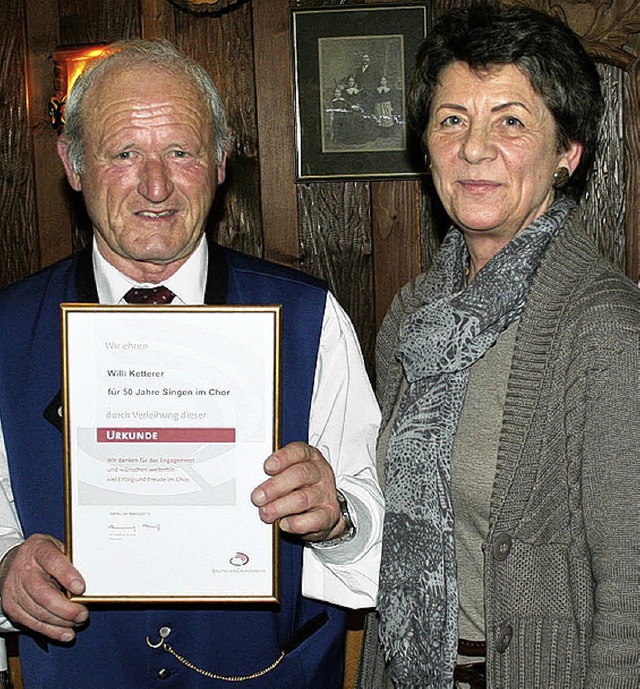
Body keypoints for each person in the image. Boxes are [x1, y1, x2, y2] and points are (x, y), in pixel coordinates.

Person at [0, 39, 384, 688]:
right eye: (124, 153)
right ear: (72, 164)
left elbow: (374, 532)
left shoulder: (313, 319)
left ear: (220, 162)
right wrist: (8, 565)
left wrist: (338, 513)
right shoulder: (8, 330)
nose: (156, 185)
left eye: (181, 151)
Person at [357, 4, 639, 688]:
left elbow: (632, 587)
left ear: (566, 153)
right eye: (452, 119)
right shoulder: (414, 314)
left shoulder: (600, 324)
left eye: (510, 120)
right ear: (426, 148)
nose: (474, 148)